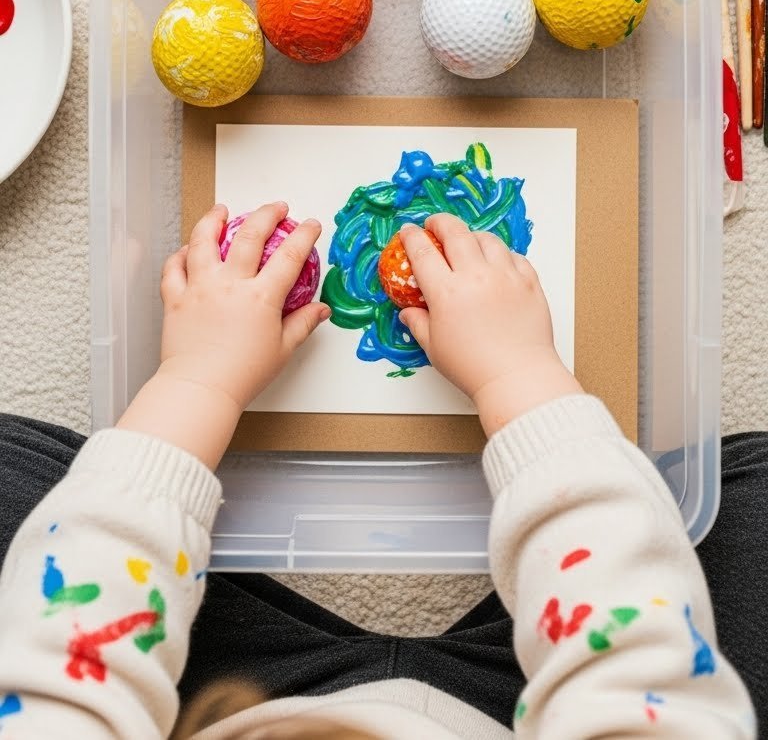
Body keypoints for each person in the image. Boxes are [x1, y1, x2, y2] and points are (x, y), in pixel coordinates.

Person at [0, 201, 759, 738]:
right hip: (524, 707)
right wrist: (519, 373)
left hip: (223, 698)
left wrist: (197, 382)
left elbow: (58, 660)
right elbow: (637, 648)